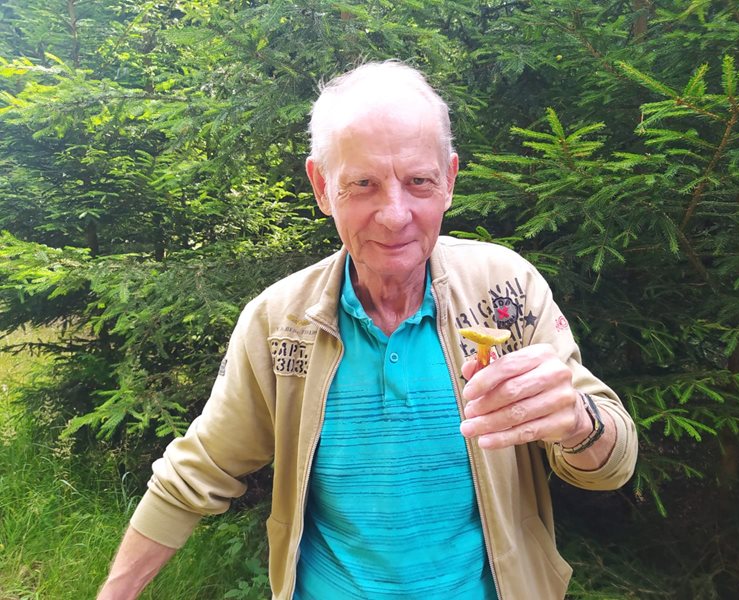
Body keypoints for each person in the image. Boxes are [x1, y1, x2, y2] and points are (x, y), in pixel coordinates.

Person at [97, 60, 637, 600]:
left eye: (419, 182)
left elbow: (610, 466)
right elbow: (195, 473)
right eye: (363, 185)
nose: (395, 215)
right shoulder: (279, 322)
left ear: (449, 180)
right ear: (321, 187)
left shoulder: (505, 291)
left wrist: (576, 422)